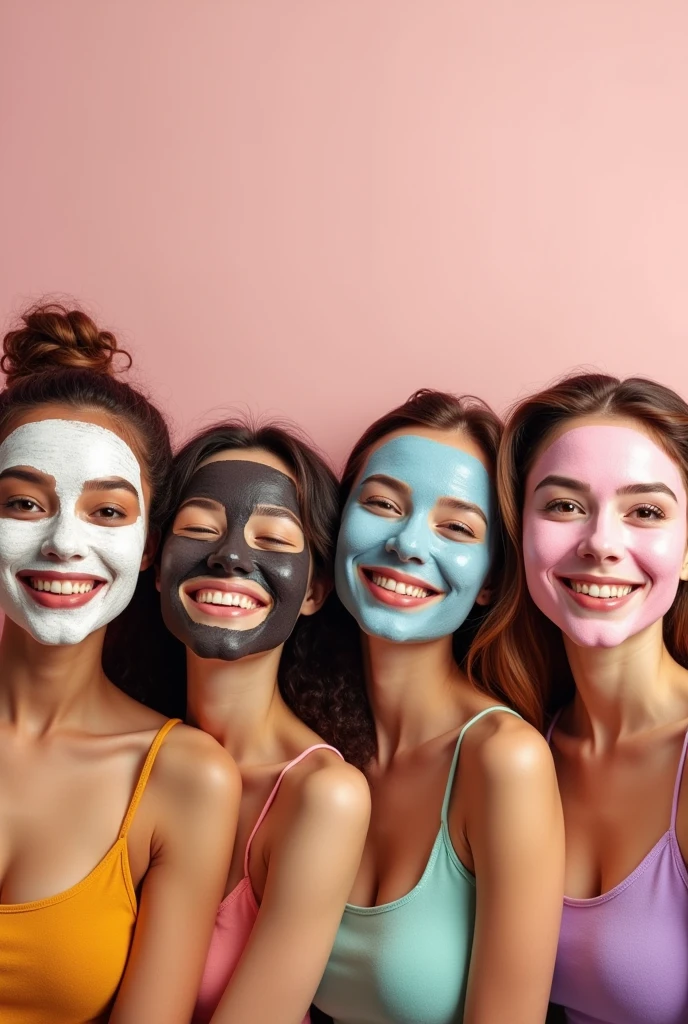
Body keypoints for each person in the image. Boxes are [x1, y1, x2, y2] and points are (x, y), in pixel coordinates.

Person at [0, 303, 240, 1024]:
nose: (64, 543)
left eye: (106, 511)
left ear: (147, 547)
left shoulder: (183, 780)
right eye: (22, 502)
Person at [314, 389, 564, 1024]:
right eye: (381, 504)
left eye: (455, 526)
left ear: (487, 580)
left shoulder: (505, 761)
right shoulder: (303, 741)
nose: (405, 543)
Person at [470, 372, 688, 1024]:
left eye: (646, 511)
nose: (600, 542)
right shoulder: (515, 746)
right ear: (519, 533)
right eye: (563, 506)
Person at [156, 421, 370, 1024]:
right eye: (198, 530)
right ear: (155, 563)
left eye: (274, 540)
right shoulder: (133, 754)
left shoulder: (321, 796)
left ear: (313, 590)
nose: (229, 556)